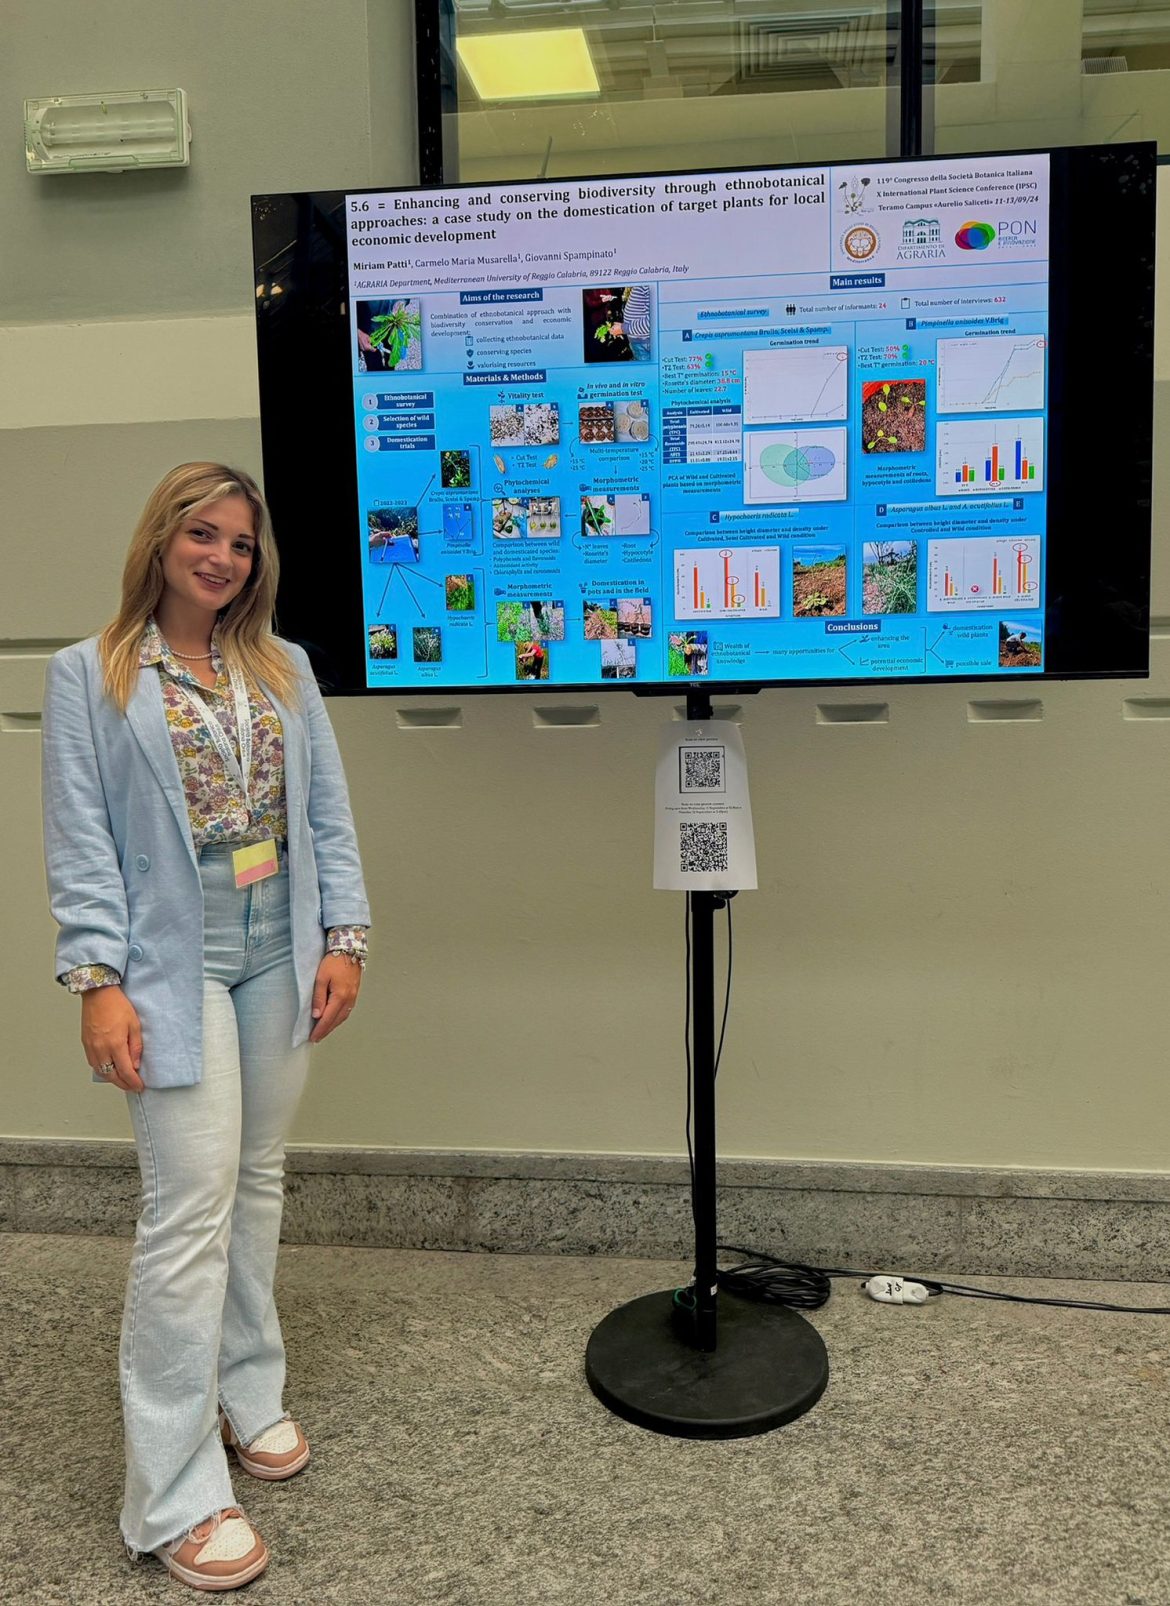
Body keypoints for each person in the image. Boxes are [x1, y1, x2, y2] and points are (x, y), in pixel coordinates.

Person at [41, 463, 370, 1591]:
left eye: (241, 541)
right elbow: (80, 839)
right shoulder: (90, 673)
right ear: (161, 540)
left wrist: (344, 937)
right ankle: (174, 1494)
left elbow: (325, 815)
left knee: (259, 1176)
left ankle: (246, 1388)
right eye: (203, 534)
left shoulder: (283, 667)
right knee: (189, 1206)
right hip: (168, 958)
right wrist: (97, 980)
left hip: (280, 942)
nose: (223, 557)